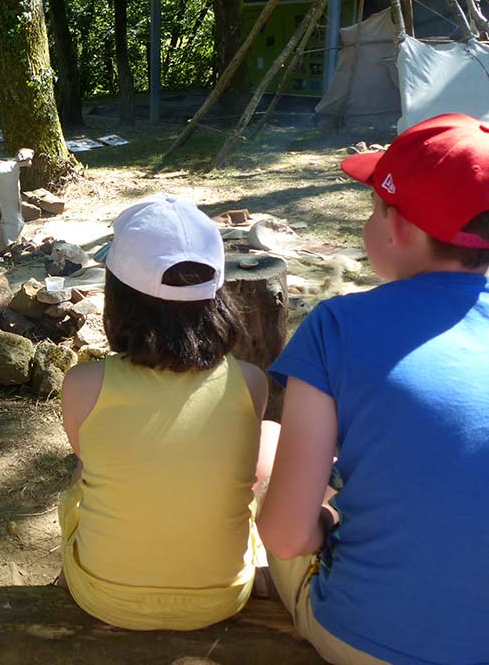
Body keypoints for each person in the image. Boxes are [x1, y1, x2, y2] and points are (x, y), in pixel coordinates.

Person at [257, 113, 489, 664]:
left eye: (373, 206)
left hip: (371, 641)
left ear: (397, 226)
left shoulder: (336, 328)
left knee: (270, 463)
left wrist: (321, 520)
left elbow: (287, 536)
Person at [56, 193, 270, 630]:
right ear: (218, 295)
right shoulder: (251, 382)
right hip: (222, 597)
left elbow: (87, 459)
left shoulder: (82, 385)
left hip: (103, 597)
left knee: (86, 474)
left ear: (117, 297)